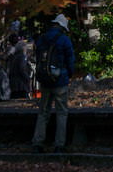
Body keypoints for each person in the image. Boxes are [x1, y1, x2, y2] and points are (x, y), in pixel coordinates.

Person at [32, 13, 75, 154]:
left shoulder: (42, 38)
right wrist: (69, 74)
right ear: (62, 27)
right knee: (61, 112)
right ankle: (59, 145)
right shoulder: (64, 40)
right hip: (60, 80)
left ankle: (38, 143)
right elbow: (70, 60)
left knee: (43, 112)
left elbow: (37, 56)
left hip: (44, 80)